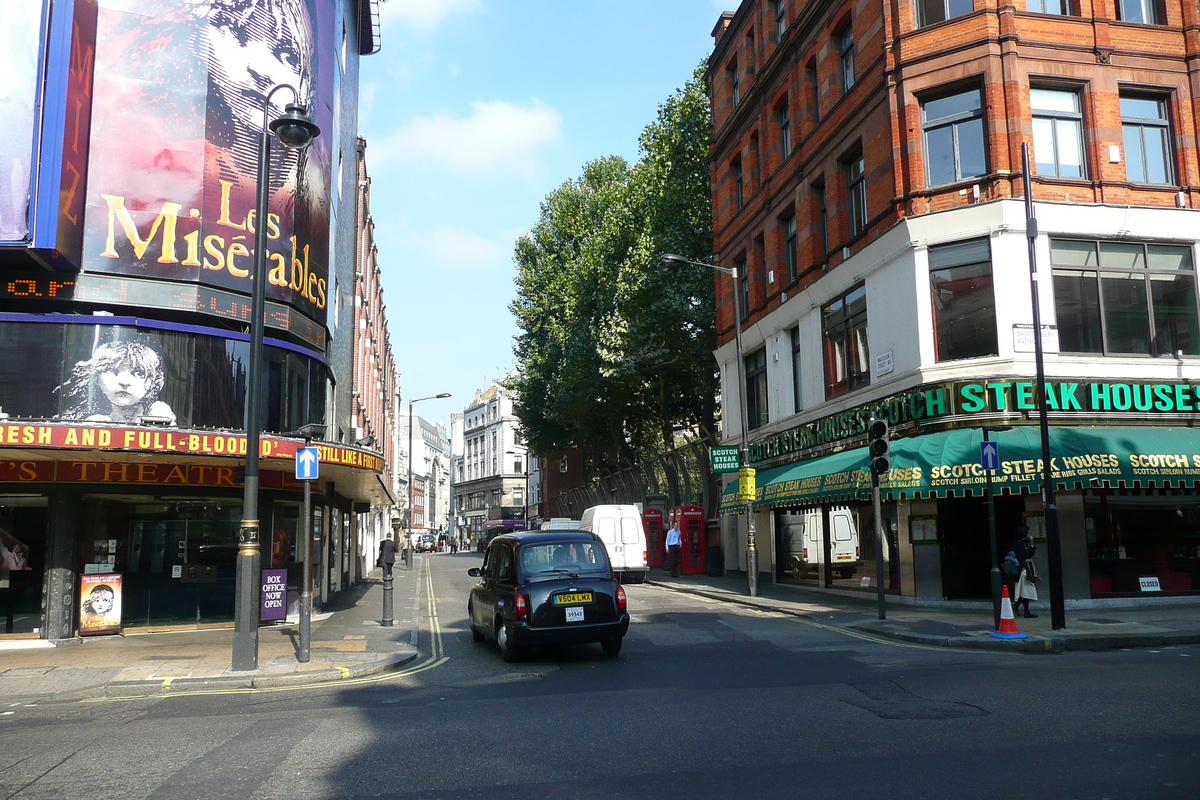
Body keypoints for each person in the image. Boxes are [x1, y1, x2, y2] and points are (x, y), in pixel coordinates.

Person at [57, 338, 176, 425]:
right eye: (112, 370)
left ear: (154, 381)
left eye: (139, 373)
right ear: (96, 377)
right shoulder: (82, 415)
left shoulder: (159, 411)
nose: (124, 381)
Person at [1013, 527, 1038, 618]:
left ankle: (1026, 611)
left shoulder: (1023, 543)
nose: (1029, 535)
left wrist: (1031, 544)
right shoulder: (1019, 543)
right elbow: (1024, 556)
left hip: (1026, 568)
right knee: (1027, 588)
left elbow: (1030, 554)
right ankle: (1016, 605)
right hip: (1023, 569)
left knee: (1025, 590)